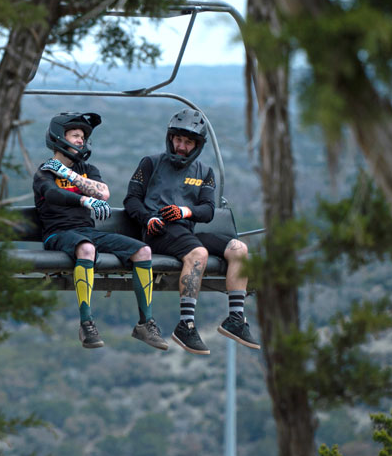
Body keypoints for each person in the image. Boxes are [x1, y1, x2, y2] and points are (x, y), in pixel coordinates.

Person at [123, 107, 260, 355]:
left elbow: (207, 210)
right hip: (158, 231)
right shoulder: (150, 163)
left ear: (197, 145)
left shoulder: (204, 173)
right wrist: (148, 217)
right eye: (178, 139)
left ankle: (236, 319)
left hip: (186, 230)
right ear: (170, 138)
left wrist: (185, 211)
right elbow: (131, 200)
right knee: (198, 254)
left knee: (239, 249)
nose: (181, 146)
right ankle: (185, 325)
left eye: (188, 142)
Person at [33, 112, 167, 350]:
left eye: (83, 136)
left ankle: (145, 323)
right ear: (58, 137)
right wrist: (83, 200)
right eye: (75, 135)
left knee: (143, 251)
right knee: (87, 248)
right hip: (58, 234)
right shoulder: (44, 172)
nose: (80, 141)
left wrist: (67, 173)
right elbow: (53, 194)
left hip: (87, 231)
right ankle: (86, 323)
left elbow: (103, 192)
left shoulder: (86, 169)